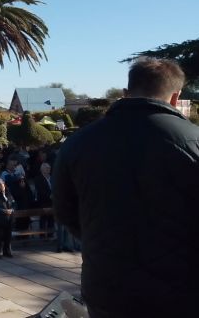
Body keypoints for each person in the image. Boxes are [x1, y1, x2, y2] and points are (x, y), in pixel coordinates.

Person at [53, 58, 199, 317]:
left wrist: (104, 241)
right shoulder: (193, 141)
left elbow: (65, 210)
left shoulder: (78, 143)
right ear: (176, 97)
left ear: (124, 93)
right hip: (181, 288)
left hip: (107, 283)